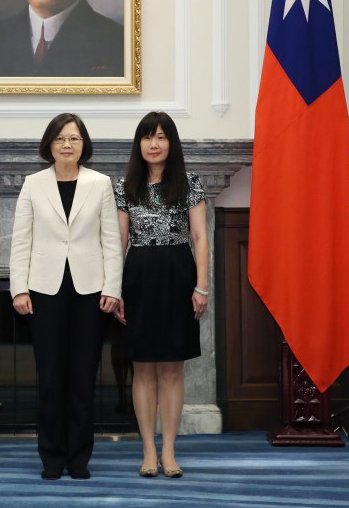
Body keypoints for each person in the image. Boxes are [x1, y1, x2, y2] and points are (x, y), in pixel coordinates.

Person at [10, 113, 123, 480]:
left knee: (83, 377)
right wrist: (19, 288)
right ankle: (52, 457)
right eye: (60, 138)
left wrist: (113, 288)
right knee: (51, 376)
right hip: (44, 292)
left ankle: (79, 458)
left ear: (83, 144)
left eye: (73, 138)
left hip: (91, 292)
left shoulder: (100, 183)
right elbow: (21, 240)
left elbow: (111, 240)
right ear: (49, 145)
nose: (67, 145)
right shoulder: (33, 184)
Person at [114, 111, 208, 479]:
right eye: (147, 137)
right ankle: (148, 451)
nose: (154, 144)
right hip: (138, 277)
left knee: (171, 367)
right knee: (142, 367)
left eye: (161, 137)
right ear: (138, 143)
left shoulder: (189, 183)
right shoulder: (125, 186)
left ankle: (169, 451)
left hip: (177, 276)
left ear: (171, 142)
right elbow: (119, 241)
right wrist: (115, 290)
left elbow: (200, 237)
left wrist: (202, 286)